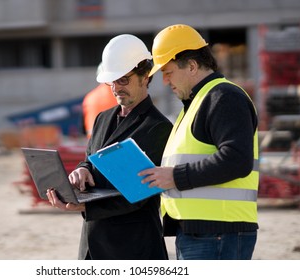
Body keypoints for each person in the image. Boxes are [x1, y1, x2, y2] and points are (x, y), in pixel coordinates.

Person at [47, 34, 173, 260]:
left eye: (123, 80)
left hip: (133, 248)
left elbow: (140, 195)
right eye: (111, 81)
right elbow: (90, 158)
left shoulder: (159, 127)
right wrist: (82, 169)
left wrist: (85, 208)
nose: (115, 88)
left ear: (145, 76)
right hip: (92, 245)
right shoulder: (102, 118)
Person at [139, 24, 259, 260]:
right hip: (201, 232)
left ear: (192, 66)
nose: (165, 81)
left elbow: (237, 160)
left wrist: (174, 176)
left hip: (219, 233)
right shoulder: (198, 103)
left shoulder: (224, 97)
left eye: (168, 72)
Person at [82, 64, 117, 139]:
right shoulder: (119, 94)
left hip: (93, 143)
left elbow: (83, 128)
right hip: (115, 143)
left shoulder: (89, 97)